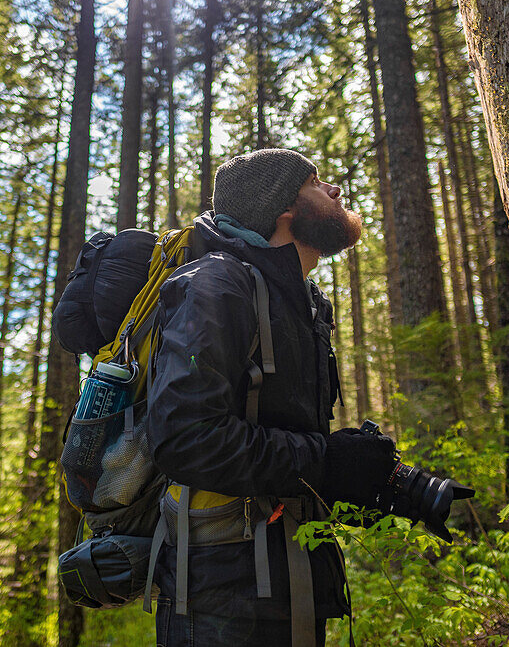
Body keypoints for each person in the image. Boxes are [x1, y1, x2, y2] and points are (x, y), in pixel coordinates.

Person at [146, 149, 400, 647]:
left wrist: (392, 483)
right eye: (316, 181)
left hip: (296, 578)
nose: (334, 191)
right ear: (284, 206)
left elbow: (292, 439)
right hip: (222, 603)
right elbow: (186, 438)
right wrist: (327, 462)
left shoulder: (305, 301)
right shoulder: (217, 285)